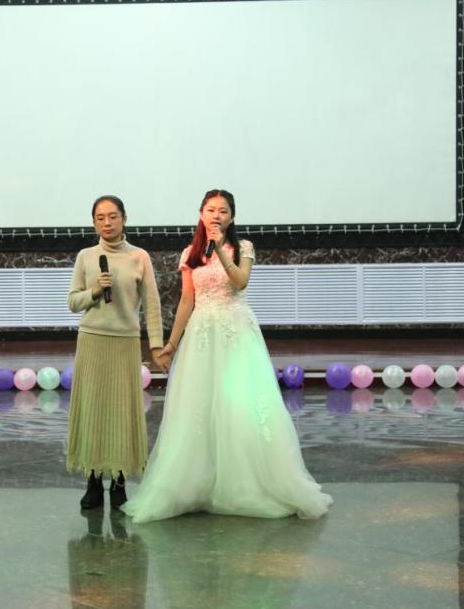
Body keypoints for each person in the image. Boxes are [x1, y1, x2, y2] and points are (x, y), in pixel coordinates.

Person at [122, 189, 332, 523]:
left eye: (222, 211)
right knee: (199, 405)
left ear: (231, 217)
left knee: (239, 404)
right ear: (201, 214)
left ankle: (246, 483)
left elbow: (240, 281)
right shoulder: (190, 253)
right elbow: (187, 301)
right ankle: (196, 484)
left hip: (236, 333)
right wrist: (171, 344)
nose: (216, 215)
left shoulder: (243, 247)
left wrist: (220, 249)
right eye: (210, 209)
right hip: (202, 335)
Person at [67, 195, 166, 510]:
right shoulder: (86, 256)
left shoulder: (139, 257)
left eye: (112, 216)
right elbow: (73, 302)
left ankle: (120, 481)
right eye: (100, 218)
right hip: (92, 341)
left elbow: (152, 305)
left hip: (125, 342)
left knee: (122, 414)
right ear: (94, 222)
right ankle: (94, 481)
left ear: (124, 218)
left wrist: (156, 345)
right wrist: (95, 291)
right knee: (93, 412)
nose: (107, 223)